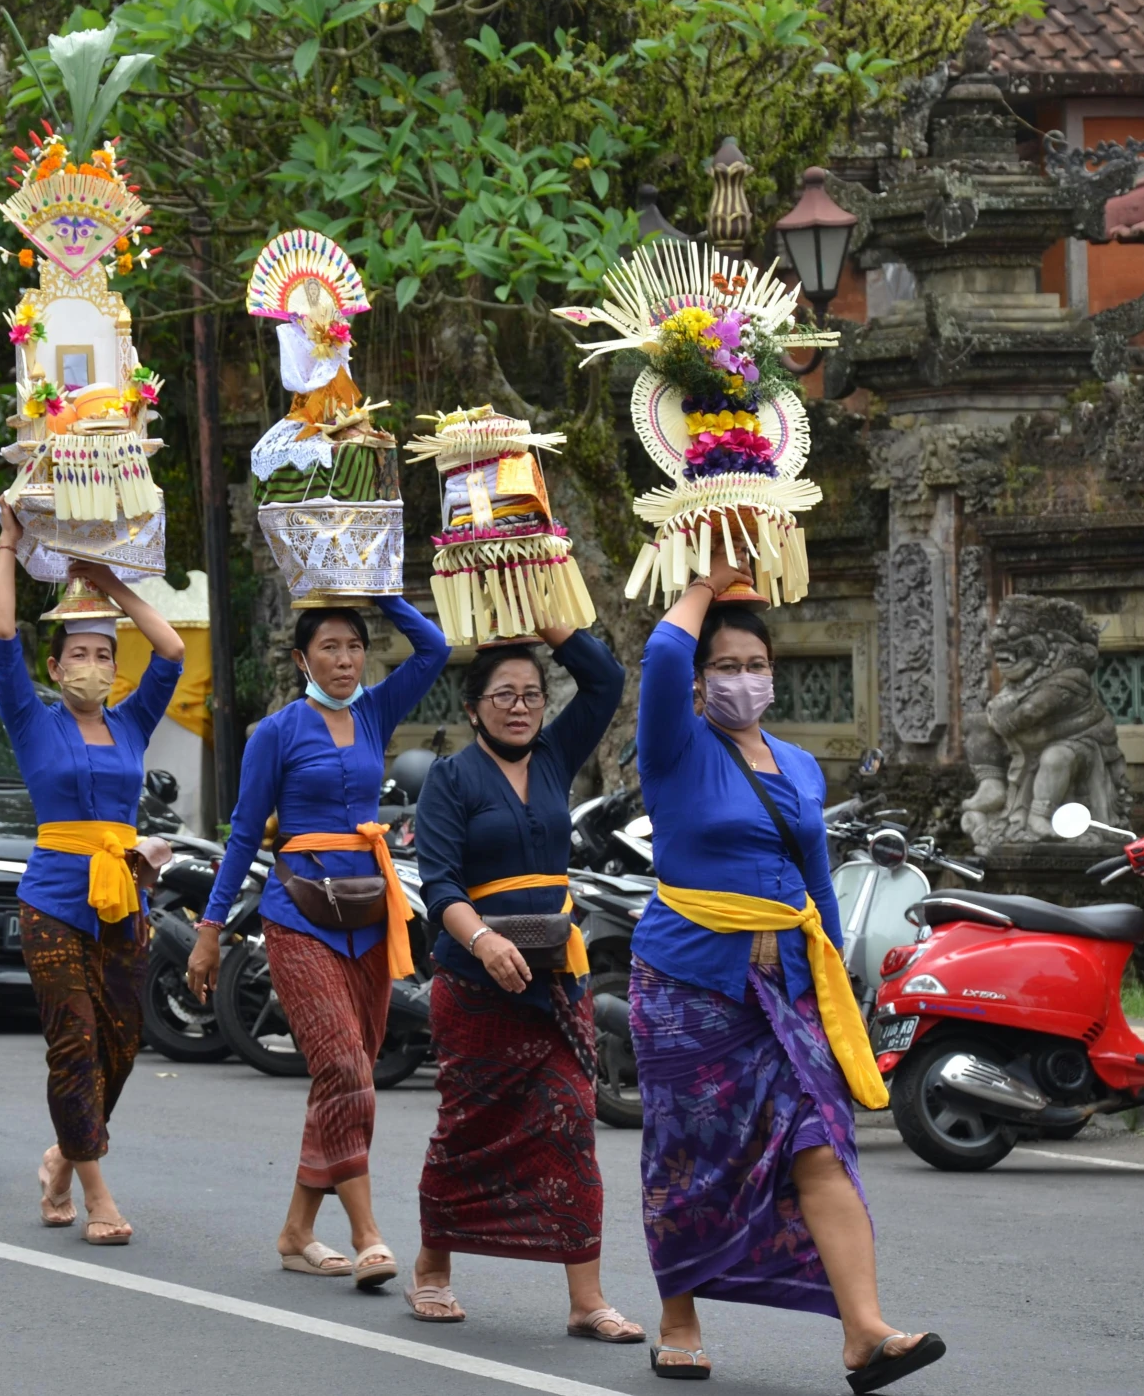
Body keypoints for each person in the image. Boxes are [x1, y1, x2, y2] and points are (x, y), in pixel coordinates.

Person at [632, 549, 943, 1390]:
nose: (743, 679)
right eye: (726, 666)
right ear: (700, 683)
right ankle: (678, 1314)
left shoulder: (799, 766)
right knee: (688, 1156)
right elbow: (662, 655)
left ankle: (864, 1332)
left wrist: (837, 974)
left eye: (757, 665)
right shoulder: (673, 748)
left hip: (789, 992)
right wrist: (706, 581)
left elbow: (815, 878)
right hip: (686, 988)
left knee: (822, 1144)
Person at [186, 597, 448, 1287]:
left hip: (367, 918)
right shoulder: (275, 731)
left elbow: (436, 651)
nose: (344, 659)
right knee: (347, 1069)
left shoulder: (374, 712)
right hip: (297, 915)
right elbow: (244, 835)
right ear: (302, 659)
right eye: (329, 647)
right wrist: (210, 931)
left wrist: (379, 592)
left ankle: (297, 1230)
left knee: (343, 1074)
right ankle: (367, 1233)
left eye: (355, 646)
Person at [406, 625, 638, 1343]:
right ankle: (433, 1270)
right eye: (503, 694)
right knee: (468, 1131)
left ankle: (586, 1298)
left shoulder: (555, 757)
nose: (520, 707)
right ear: (473, 708)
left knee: (571, 1119)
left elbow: (605, 682)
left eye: (532, 695)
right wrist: (483, 938)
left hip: (553, 984)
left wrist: (554, 629)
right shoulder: (451, 779)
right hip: (476, 987)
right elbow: (440, 880)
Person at [0, 506, 183, 1245]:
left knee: (122, 1044)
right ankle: (99, 1193)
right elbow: (3, 635)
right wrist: (9, 544)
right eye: (80, 655)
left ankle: (64, 1158)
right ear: (56, 665)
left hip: (123, 898)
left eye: (104, 656)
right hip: (52, 902)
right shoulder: (34, 720)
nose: (94, 667)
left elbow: (169, 652)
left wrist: (113, 585)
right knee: (72, 1043)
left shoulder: (131, 723)